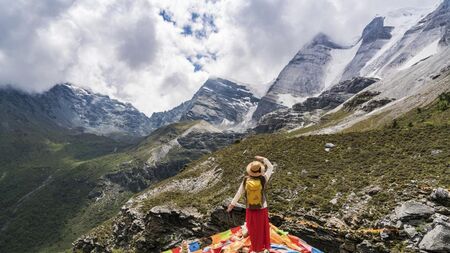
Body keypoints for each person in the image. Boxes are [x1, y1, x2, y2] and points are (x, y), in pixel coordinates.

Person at [227, 156, 274, 253]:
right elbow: (271, 167)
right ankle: (262, 247)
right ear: (260, 170)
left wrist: (232, 205)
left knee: (252, 228)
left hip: (250, 208)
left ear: (250, 171)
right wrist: (263, 159)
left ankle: (255, 247)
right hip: (262, 207)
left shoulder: (246, 180)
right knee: (262, 228)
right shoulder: (263, 179)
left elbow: (239, 193)